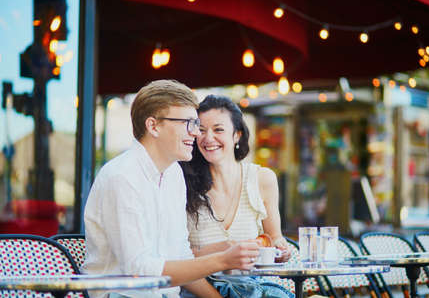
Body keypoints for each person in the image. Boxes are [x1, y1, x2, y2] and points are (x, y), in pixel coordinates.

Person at [82, 80, 259, 298]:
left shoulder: (173, 173)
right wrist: (222, 260)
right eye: (189, 123)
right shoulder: (122, 177)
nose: (196, 133)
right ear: (153, 126)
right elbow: (139, 272)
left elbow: (181, 257)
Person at [180, 95, 293, 297]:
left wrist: (281, 249)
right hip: (199, 290)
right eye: (202, 130)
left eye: (218, 129)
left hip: (250, 288)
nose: (208, 138)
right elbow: (176, 258)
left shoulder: (263, 179)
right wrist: (225, 250)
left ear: (237, 135)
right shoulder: (182, 182)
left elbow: (274, 238)